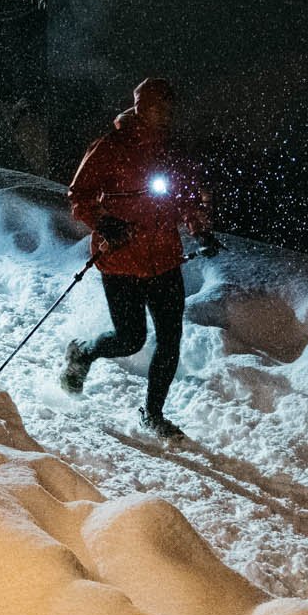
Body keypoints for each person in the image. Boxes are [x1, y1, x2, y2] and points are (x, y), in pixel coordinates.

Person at [62, 77, 217, 433]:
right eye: (158, 108)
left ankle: (152, 414)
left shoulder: (170, 151)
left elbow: (185, 198)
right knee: (130, 338)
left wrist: (200, 230)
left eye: (169, 109)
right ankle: (83, 353)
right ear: (141, 107)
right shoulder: (110, 147)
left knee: (170, 339)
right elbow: (79, 195)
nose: (165, 115)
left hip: (164, 260)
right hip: (120, 261)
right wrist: (104, 223)